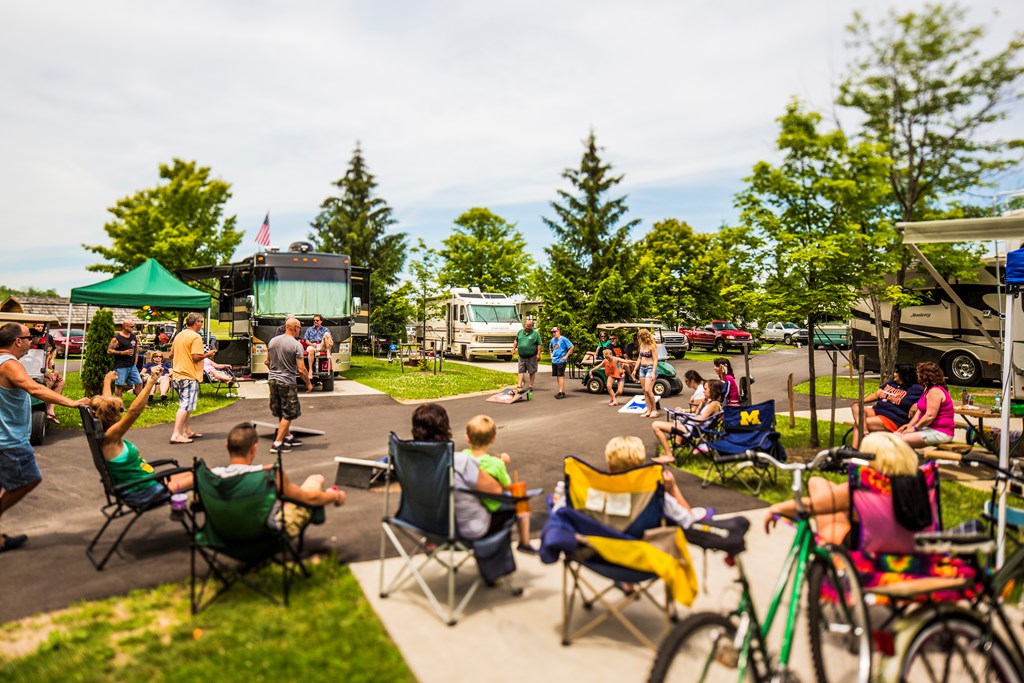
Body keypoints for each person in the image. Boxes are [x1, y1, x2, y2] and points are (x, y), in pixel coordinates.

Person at [0, 322, 91, 552]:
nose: (32, 341)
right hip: (9, 440)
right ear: (17, 341)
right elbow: (35, 389)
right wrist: (71, 402)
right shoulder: (10, 365)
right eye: (29, 337)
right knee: (29, 479)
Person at [763, 431, 921, 546]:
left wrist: (775, 508)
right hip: (909, 551)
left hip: (866, 555)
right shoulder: (921, 484)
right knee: (817, 482)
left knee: (828, 518)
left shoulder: (864, 489)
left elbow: (809, 506)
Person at [211, 422, 345, 537]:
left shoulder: (211, 476)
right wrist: (335, 496)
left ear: (227, 445)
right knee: (316, 479)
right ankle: (329, 492)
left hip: (222, 536)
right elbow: (309, 499)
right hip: (264, 535)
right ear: (254, 448)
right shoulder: (269, 474)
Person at [90, 369, 194, 507]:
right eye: (120, 409)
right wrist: (151, 381)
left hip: (143, 483)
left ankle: (181, 508)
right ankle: (189, 509)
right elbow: (134, 412)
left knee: (191, 473)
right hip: (143, 492)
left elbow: (106, 407)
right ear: (113, 415)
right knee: (199, 475)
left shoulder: (106, 433)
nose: (123, 411)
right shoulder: (111, 437)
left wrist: (107, 381)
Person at [411, 403, 505, 540]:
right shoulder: (460, 461)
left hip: (427, 526)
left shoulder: (411, 463)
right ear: (446, 429)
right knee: (510, 509)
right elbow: (496, 491)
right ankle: (496, 559)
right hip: (465, 529)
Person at [463, 414, 537, 555]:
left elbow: (480, 462)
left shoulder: (464, 456)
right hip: (492, 507)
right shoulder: (496, 465)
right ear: (493, 439)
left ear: (467, 438)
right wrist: (502, 462)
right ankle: (525, 542)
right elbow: (507, 485)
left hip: (470, 505)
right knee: (522, 502)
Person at [603, 436, 708, 528]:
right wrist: (672, 489)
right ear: (641, 464)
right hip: (647, 546)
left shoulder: (597, 492)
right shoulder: (654, 497)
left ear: (609, 466)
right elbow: (688, 521)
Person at [169, 312, 216, 444]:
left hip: (177, 374)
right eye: (201, 321)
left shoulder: (179, 335)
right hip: (188, 375)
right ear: (196, 322)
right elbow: (196, 357)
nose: (201, 324)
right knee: (185, 405)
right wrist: (208, 354)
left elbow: (171, 354)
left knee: (186, 404)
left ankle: (187, 430)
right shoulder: (195, 337)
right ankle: (176, 434)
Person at [267, 317, 312, 454]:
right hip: (287, 381)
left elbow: (267, 361)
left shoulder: (273, 341)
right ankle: (278, 443)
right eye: (299, 328)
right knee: (290, 412)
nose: (300, 330)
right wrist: (308, 383)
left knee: (281, 410)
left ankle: (288, 437)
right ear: (294, 328)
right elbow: (301, 369)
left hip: (272, 380)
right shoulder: (295, 344)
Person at [850, 364, 923, 447]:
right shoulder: (892, 382)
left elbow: (928, 400)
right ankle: (864, 432)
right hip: (877, 411)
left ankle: (855, 449)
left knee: (859, 423)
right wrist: (861, 401)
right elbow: (877, 394)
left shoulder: (916, 388)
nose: (894, 374)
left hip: (892, 419)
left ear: (903, 374)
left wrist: (917, 404)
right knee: (856, 405)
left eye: (896, 372)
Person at [651, 381, 724, 460]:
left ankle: (669, 455)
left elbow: (699, 420)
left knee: (656, 425)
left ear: (712, 390)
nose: (703, 391)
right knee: (673, 420)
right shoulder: (712, 403)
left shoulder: (714, 404)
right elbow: (697, 414)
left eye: (705, 389)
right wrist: (702, 404)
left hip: (692, 429)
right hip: (693, 427)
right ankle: (677, 445)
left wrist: (685, 417)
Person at [896, 361, 955, 448]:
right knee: (895, 436)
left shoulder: (935, 391)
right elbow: (920, 410)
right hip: (927, 429)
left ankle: (909, 460)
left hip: (940, 432)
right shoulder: (927, 389)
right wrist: (910, 425)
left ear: (925, 376)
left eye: (919, 374)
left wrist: (914, 429)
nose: (917, 376)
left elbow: (930, 416)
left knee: (902, 440)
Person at [30, 323, 66, 424]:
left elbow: (47, 367)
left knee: (61, 382)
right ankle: (41, 406)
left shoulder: (43, 351)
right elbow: (29, 367)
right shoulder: (25, 351)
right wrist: (46, 373)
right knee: (48, 382)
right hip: (31, 376)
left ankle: (50, 410)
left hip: (39, 375)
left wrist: (54, 372)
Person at [107, 319, 143, 398]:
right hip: (121, 365)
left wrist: (135, 362)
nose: (133, 328)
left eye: (134, 326)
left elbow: (136, 349)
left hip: (132, 365)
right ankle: (119, 405)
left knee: (138, 382)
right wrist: (122, 352)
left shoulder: (133, 336)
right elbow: (109, 351)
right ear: (125, 327)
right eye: (131, 326)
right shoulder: (116, 338)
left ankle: (140, 403)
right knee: (119, 385)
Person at [511, 318, 541, 393]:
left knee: (532, 371)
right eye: (526, 326)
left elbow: (539, 345)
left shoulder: (535, 334)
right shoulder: (520, 332)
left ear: (532, 326)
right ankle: (519, 385)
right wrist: (513, 349)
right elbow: (516, 341)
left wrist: (538, 354)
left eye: (529, 326)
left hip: (532, 356)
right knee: (521, 370)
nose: (527, 328)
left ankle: (530, 385)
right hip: (521, 356)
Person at [635, 329, 659, 418]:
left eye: (639, 337)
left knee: (648, 389)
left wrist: (653, 372)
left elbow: (656, 359)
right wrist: (635, 369)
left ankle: (654, 410)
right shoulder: (641, 345)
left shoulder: (652, 346)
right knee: (645, 391)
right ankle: (648, 410)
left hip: (650, 367)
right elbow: (639, 358)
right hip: (642, 368)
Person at [548, 327, 574, 400]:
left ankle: (560, 392)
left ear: (558, 331)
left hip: (561, 361)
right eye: (552, 332)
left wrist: (566, 356)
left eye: (555, 332)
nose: (553, 333)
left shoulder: (563, 339)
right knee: (558, 376)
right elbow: (550, 347)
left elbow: (571, 347)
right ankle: (561, 391)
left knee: (560, 376)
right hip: (554, 360)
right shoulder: (553, 340)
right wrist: (551, 354)